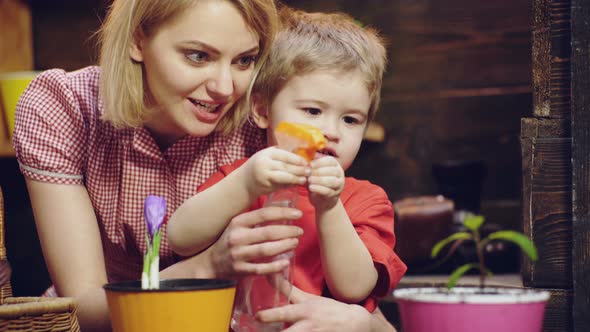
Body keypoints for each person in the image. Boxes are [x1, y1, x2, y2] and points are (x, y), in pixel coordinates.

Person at [12, 1, 400, 331]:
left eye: (245, 60)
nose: (225, 88)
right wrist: (208, 265)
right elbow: (85, 308)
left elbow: (349, 293)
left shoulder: (269, 115)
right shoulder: (65, 107)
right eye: (198, 55)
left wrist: (362, 322)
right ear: (137, 39)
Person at [167, 6, 407, 325]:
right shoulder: (242, 179)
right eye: (311, 111)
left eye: (351, 119)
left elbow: (354, 288)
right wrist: (246, 183)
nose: (331, 131)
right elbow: (181, 237)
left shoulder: (366, 200)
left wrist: (330, 206)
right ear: (263, 110)